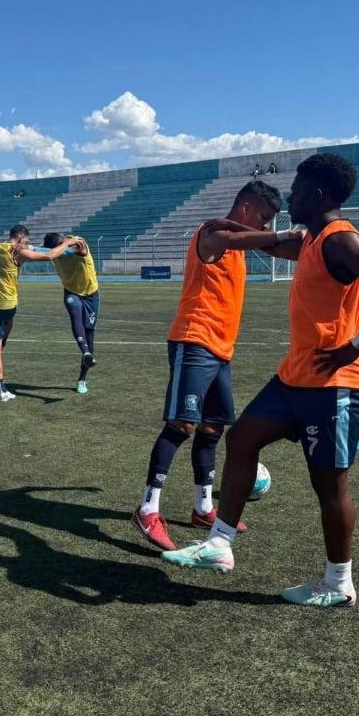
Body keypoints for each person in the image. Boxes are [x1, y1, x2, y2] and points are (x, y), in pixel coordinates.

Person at [162, 153, 359, 609]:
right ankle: (219, 544)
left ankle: (338, 583)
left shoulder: (340, 240)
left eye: (297, 190)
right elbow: (272, 245)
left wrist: (358, 342)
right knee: (241, 439)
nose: (290, 197)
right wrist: (225, 226)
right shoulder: (316, 239)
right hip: (296, 377)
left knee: (330, 485)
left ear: (317, 195)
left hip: (336, 382)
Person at [131, 182, 291, 552]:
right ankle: (147, 508)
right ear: (247, 208)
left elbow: (278, 247)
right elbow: (233, 238)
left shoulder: (240, 239)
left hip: (221, 349)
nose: (266, 227)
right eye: (264, 219)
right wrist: (278, 234)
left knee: (212, 427)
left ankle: (203, 507)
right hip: (195, 339)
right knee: (182, 424)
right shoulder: (212, 234)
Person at [0, 225, 77, 402]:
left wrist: (26, 247)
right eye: (26, 240)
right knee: (1, 338)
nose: (28, 243)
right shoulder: (20, 252)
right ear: (20, 238)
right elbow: (49, 255)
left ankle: (2, 388)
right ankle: (3, 385)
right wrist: (70, 242)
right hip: (8, 304)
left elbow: (19, 248)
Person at [42, 231, 100, 394]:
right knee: (75, 317)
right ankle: (85, 352)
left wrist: (65, 245)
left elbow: (75, 249)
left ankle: (82, 379)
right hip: (71, 292)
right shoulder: (55, 249)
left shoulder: (77, 243)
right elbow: (38, 250)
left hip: (90, 295)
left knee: (89, 334)